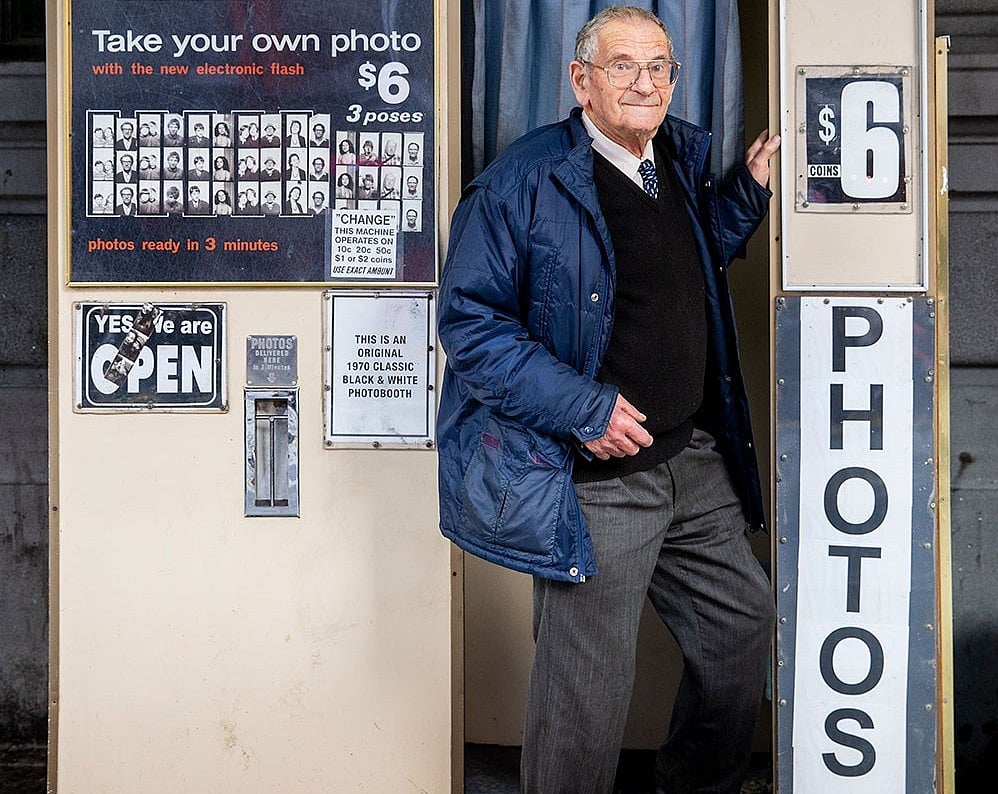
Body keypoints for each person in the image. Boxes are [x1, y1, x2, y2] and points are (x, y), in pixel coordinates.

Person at [435, 7, 781, 794]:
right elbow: (470, 324)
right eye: (622, 65)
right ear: (579, 80)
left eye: (660, 67)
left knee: (740, 627)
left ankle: (695, 783)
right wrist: (583, 410)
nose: (645, 82)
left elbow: (681, 266)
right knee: (584, 694)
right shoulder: (522, 182)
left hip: (691, 460)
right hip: (598, 476)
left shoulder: (670, 163)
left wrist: (747, 194)